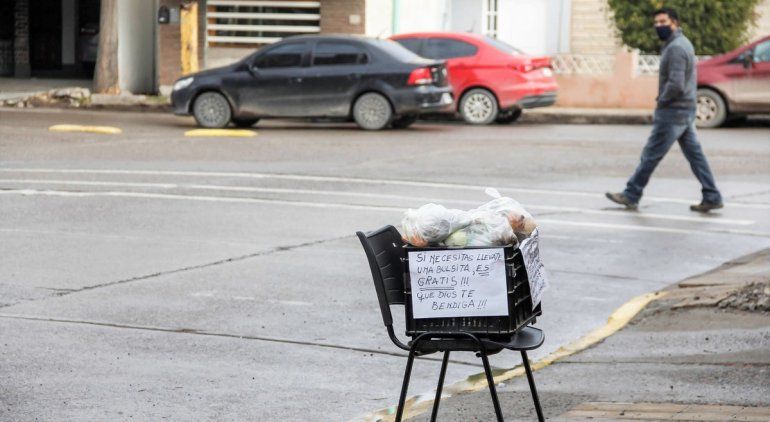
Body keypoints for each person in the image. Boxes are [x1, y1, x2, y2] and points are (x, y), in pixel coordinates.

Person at [606, 7, 723, 213]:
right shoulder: (680, 43)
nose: (659, 26)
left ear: (675, 23)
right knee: (696, 156)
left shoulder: (676, 48)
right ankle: (712, 195)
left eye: (663, 22)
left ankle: (632, 193)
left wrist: (662, 100)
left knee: (651, 154)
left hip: (673, 111)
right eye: (657, 23)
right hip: (684, 109)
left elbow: (676, 83)